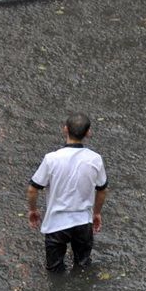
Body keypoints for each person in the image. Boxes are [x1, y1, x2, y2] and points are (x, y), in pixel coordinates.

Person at [27, 113, 108, 272]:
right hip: (83, 223)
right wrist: (97, 213)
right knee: (83, 266)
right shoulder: (95, 159)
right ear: (88, 133)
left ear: (65, 129)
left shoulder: (51, 159)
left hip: (56, 224)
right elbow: (102, 190)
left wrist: (32, 210)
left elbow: (33, 189)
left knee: (54, 270)